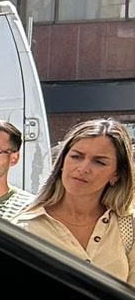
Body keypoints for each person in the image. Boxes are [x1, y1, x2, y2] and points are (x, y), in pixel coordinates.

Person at [14, 119, 134, 283]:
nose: (83, 168)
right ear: (62, 161)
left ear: (116, 174)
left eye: (99, 162)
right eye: (77, 156)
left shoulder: (128, 226)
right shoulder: (24, 226)